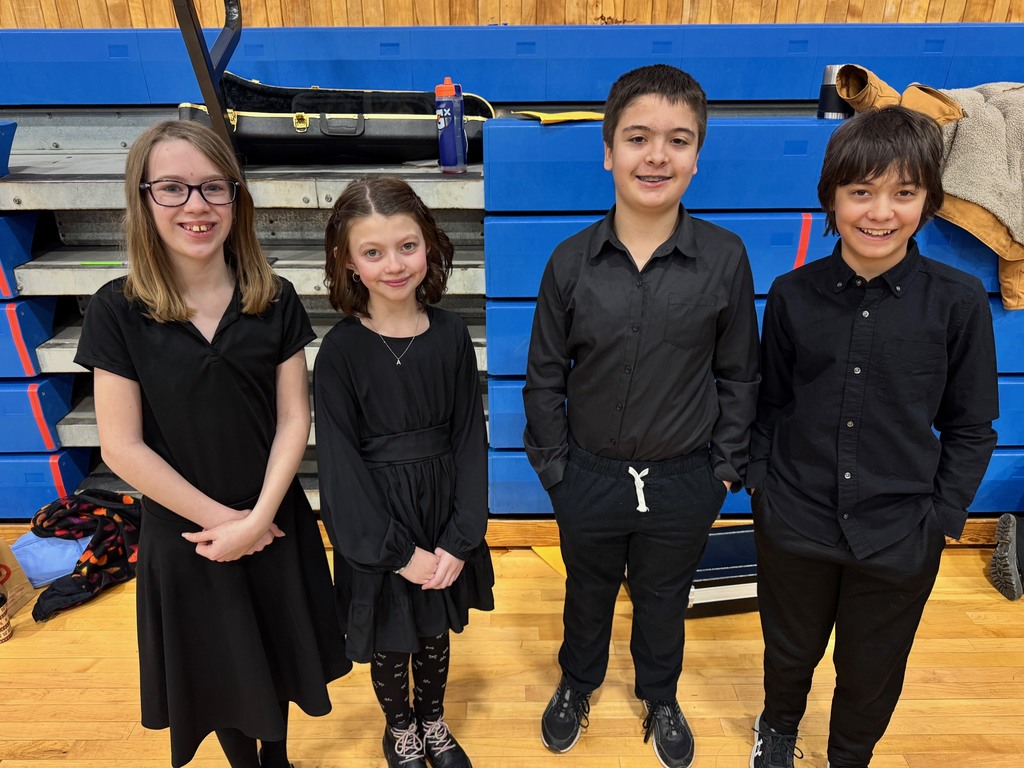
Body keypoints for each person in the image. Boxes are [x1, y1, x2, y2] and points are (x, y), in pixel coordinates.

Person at [74, 119, 350, 768]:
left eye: (212, 188)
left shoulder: (273, 299)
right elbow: (122, 447)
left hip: (273, 520)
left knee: (279, 654)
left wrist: (257, 520)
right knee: (222, 668)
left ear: (236, 198)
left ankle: (277, 761)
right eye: (172, 188)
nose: (196, 206)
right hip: (190, 535)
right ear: (143, 200)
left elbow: (293, 420)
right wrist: (226, 525)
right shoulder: (117, 310)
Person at [522, 64, 760, 768]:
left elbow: (739, 373)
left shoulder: (724, 259)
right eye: (638, 138)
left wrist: (721, 471)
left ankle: (660, 693)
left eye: (677, 140)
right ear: (608, 152)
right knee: (587, 589)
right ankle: (578, 682)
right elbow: (542, 377)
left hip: (686, 477)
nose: (657, 155)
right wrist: (557, 470)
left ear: (696, 156)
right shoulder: (570, 263)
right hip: (587, 476)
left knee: (665, 595)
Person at [748, 105, 999, 768]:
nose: (880, 212)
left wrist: (942, 516)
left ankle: (849, 754)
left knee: (872, 665)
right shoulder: (791, 295)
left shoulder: (960, 300)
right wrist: (762, 491)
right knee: (790, 648)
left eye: (904, 193)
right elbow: (769, 404)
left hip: (900, 530)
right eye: (861, 191)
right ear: (831, 196)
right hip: (794, 519)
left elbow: (973, 424)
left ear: (929, 201)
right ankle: (777, 727)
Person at [314, 177, 494, 768]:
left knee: (435, 632)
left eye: (407, 246)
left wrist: (460, 537)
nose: (393, 264)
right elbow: (339, 464)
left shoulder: (450, 336)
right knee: (394, 640)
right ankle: (401, 728)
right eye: (373, 252)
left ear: (430, 247)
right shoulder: (340, 351)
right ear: (348, 262)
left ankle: (434, 720)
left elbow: (470, 437)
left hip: (440, 513)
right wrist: (393, 551)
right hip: (381, 521)